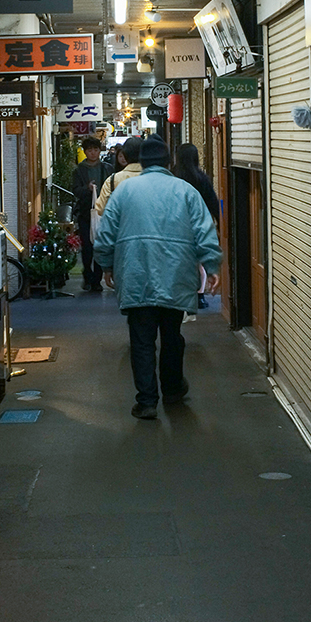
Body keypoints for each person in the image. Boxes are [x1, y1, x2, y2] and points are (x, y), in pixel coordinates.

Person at [93, 134, 224, 419]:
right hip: (176, 275)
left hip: (135, 274)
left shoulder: (124, 191)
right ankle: (174, 389)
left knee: (141, 339)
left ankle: (147, 401)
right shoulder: (185, 190)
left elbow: (106, 235)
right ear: (167, 161)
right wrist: (211, 265)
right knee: (172, 335)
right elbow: (205, 230)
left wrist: (106, 266)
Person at [174, 142, 221, 309]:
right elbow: (213, 203)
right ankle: (200, 296)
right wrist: (220, 223)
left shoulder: (172, 178)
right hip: (199, 225)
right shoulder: (202, 178)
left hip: (177, 225)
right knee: (199, 262)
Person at [71, 135, 105, 291]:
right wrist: (87, 188)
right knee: (87, 246)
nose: (93, 153)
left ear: (99, 150)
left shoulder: (107, 168)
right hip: (85, 213)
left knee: (100, 245)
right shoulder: (79, 170)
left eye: (95, 149)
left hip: (103, 213)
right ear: (85, 152)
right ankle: (87, 275)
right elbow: (75, 191)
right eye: (89, 150)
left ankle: (97, 279)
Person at [94, 136, 142, 216]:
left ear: (125, 155)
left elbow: (100, 209)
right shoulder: (156, 179)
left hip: (121, 226)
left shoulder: (113, 180)